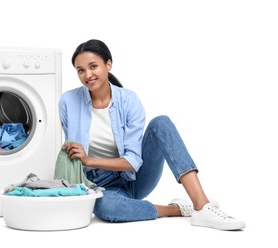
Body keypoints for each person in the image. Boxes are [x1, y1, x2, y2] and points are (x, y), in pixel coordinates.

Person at [59, 39, 245, 231]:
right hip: (97, 184)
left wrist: (89, 160)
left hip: (133, 177)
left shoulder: (128, 100)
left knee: (161, 124)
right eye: (80, 70)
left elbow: (132, 161)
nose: (87, 75)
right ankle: (176, 210)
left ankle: (202, 205)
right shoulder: (68, 101)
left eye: (93, 66)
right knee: (106, 207)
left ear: (108, 64)